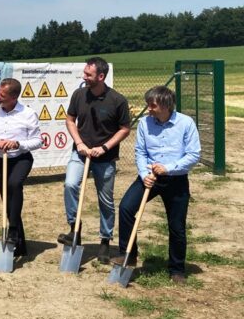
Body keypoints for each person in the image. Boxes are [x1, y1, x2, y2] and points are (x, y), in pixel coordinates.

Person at [114, 86, 200, 285]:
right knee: (126, 208)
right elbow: (140, 152)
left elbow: (193, 155)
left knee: (176, 226)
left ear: (165, 105)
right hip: (149, 178)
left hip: (176, 180)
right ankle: (128, 254)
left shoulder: (186, 123)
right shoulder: (144, 123)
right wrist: (145, 174)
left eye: (152, 105)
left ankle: (177, 269)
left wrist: (168, 168)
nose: (148, 109)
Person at [60, 57, 131, 264]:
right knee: (70, 184)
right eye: (84, 73)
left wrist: (105, 147)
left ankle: (105, 241)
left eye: (88, 75)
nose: (84, 77)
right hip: (80, 152)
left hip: (105, 157)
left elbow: (124, 128)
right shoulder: (79, 95)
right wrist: (79, 143)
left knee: (106, 200)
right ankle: (74, 230)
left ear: (101, 76)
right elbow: (70, 120)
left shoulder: (117, 100)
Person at [0, 78, 42, 257]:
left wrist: (17, 144)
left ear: (14, 97)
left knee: (14, 185)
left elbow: (38, 141)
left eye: (2, 94)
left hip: (21, 158)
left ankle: (13, 228)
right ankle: (19, 244)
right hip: (0, 160)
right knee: (8, 201)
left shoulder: (28, 114)